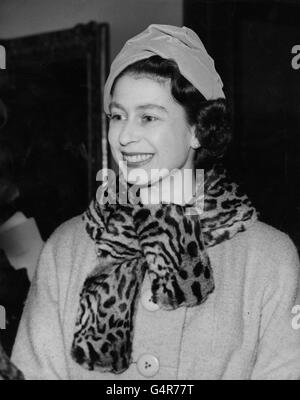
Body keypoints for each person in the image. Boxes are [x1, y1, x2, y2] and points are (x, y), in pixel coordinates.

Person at [11, 24, 300, 380]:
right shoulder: (66, 249)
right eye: (118, 116)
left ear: (198, 129)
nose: (125, 136)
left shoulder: (268, 258)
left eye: (148, 117)